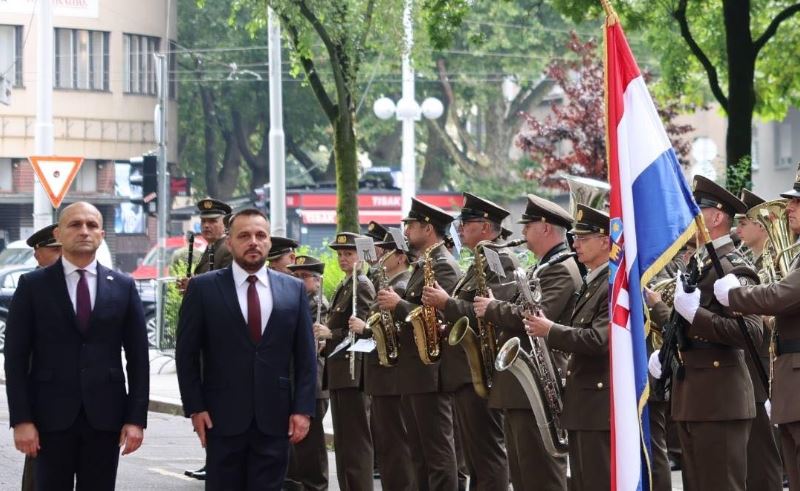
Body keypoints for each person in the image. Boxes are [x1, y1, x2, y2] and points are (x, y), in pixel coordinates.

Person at [5, 202, 150, 489]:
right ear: (59, 232)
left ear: (102, 234)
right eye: (75, 225)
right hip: (50, 418)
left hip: (105, 418)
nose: (84, 231)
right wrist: (22, 419)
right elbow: (16, 357)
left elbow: (138, 358)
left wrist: (136, 419)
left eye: (91, 225)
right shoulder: (33, 286)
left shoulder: (123, 286)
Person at [176, 208, 316, 489]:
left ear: (268, 242)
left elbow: (305, 356)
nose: (253, 241)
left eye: (260, 235)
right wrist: (195, 407)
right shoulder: (203, 289)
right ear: (230, 242)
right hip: (221, 417)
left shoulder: (292, 289)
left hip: (275, 417)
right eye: (244, 235)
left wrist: (303, 409)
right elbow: (186, 354)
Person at [653, 175, 762, 491]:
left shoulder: (731, 265)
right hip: (694, 398)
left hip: (720, 399)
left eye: (696, 209)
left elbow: (750, 332)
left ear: (716, 216)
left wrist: (694, 314)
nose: (688, 217)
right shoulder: (697, 263)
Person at [473, 194, 580, 491]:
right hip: (521, 388)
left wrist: (492, 309)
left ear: (545, 228)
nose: (522, 233)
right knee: (523, 475)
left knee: (540, 475)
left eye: (527, 226)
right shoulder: (543, 266)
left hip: (538, 387)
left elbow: (535, 315)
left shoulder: (561, 268)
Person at [713, 166, 800, 490]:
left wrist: (734, 295)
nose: (788, 207)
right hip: (788, 382)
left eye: (797, 202)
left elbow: (782, 295)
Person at [421, 192, 516, 490]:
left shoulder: (497, 258)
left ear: (485, 227)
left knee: (488, 454)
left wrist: (446, 303)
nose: (460, 229)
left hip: (482, 369)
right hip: (466, 370)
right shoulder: (478, 260)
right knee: (476, 457)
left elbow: (492, 313)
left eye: (467, 222)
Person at [375, 197, 463, 490]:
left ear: (427, 228)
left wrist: (398, 305)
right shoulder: (424, 263)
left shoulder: (444, 265)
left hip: (431, 372)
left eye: (410, 225)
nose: (407, 231)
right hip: (415, 371)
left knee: (437, 453)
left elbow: (437, 316)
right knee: (419, 454)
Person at [523, 204, 611, 491]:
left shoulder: (610, 285)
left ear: (605, 241)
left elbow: (599, 340)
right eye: (576, 238)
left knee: (596, 481)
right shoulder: (592, 282)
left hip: (598, 405)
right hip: (583, 403)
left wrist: (551, 330)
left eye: (584, 239)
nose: (576, 244)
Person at [350, 233, 417, 490]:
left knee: (396, 445)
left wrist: (366, 328)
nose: (381, 255)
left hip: (391, 376)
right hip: (382, 374)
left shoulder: (400, 286)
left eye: (387, 251)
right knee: (388, 445)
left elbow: (394, 328)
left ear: (400, 256)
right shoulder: (389, 283)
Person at [315, 232, 376, 490]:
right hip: (339, 371)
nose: (342, 259)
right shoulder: (345, 284)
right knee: (343, 442)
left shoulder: (361, 285)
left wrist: (332, 334)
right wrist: (325, 341)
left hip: (353, 371)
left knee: (356, 442)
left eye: (348, 254)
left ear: (360, 257)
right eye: (340, 254)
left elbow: (362, 327)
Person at [734, 188, 784, 491]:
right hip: (754, 368)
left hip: (768, 367)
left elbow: (775, 315)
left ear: (762, 226)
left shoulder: (774, 263)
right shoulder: (751, 261)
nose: (738, 229)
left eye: (745, 222)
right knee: (753, 458)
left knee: (765, 458)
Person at [285, 255, 331, 491]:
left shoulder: (317, 305)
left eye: (305, 277)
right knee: (296, 442)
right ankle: (296, 483)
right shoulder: (296, 301)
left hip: (314, 380)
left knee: (311, 442)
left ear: (317, 280)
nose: (300, 281)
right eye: (296, 276)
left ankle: (316, 486)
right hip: (297, 378)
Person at [192, 198, 234, 274]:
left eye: (212, 221)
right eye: (203, 221)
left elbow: (224, 283)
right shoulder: (212, 246)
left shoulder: (228, 249)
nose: (206, 225)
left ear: (225, 223)